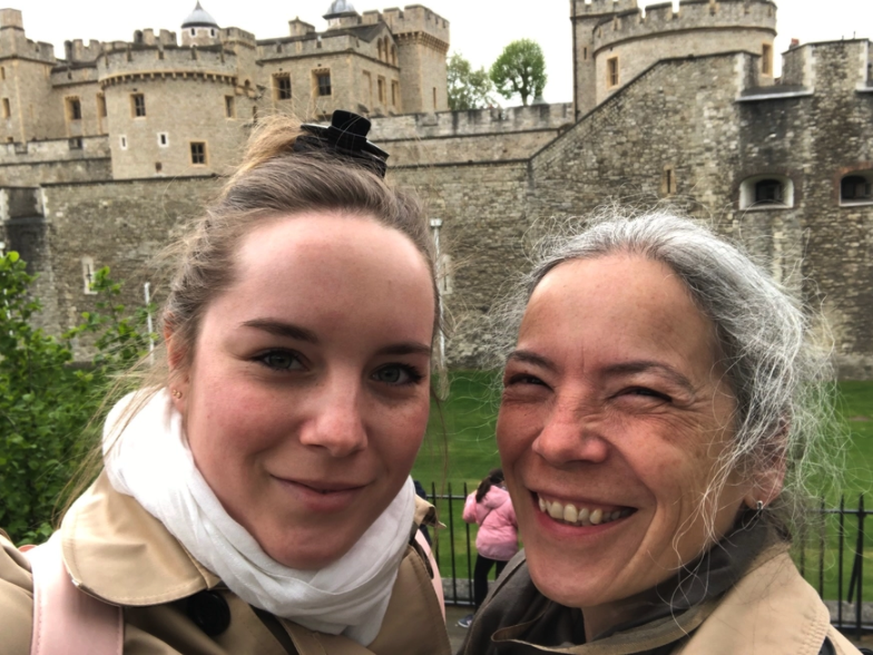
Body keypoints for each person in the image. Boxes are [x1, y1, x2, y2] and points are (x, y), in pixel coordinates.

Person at [0, 111, 452, 655]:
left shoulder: (412, 569)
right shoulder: (29, 624)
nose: (339, 432)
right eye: (281, 359)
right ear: (180, 359)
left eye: (393, 373)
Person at [459, 212, 866, 654]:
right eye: (530, 381)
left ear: (764, 455)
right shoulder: (511, 618)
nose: (556, 442)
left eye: (640, 392)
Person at [457, 468, 517, 629]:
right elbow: (517, 520)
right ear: (502, 481)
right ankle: (500, 615)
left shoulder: (478, 495)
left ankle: (478, 613)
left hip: (486, 543)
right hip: (506, 545)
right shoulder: (510, 498)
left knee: (480, 576)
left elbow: (467, 517)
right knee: (503, 580)